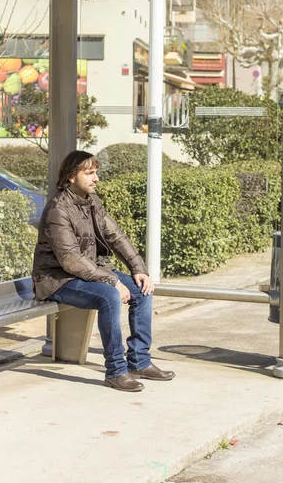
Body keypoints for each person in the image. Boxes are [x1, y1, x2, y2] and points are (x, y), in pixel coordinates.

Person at [32, 150, 175, 392]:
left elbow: (116, 236)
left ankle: (139, 361)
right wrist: (111, 281)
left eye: (96, 172)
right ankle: (116, 371)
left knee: (142, 290)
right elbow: (70, 259)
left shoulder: (92, 202)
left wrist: (138, 269)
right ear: (71, 177)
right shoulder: (58, 209)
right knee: (109, 297)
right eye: (89, 173)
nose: (96, 178)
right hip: (57, 279)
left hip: (88, 273)